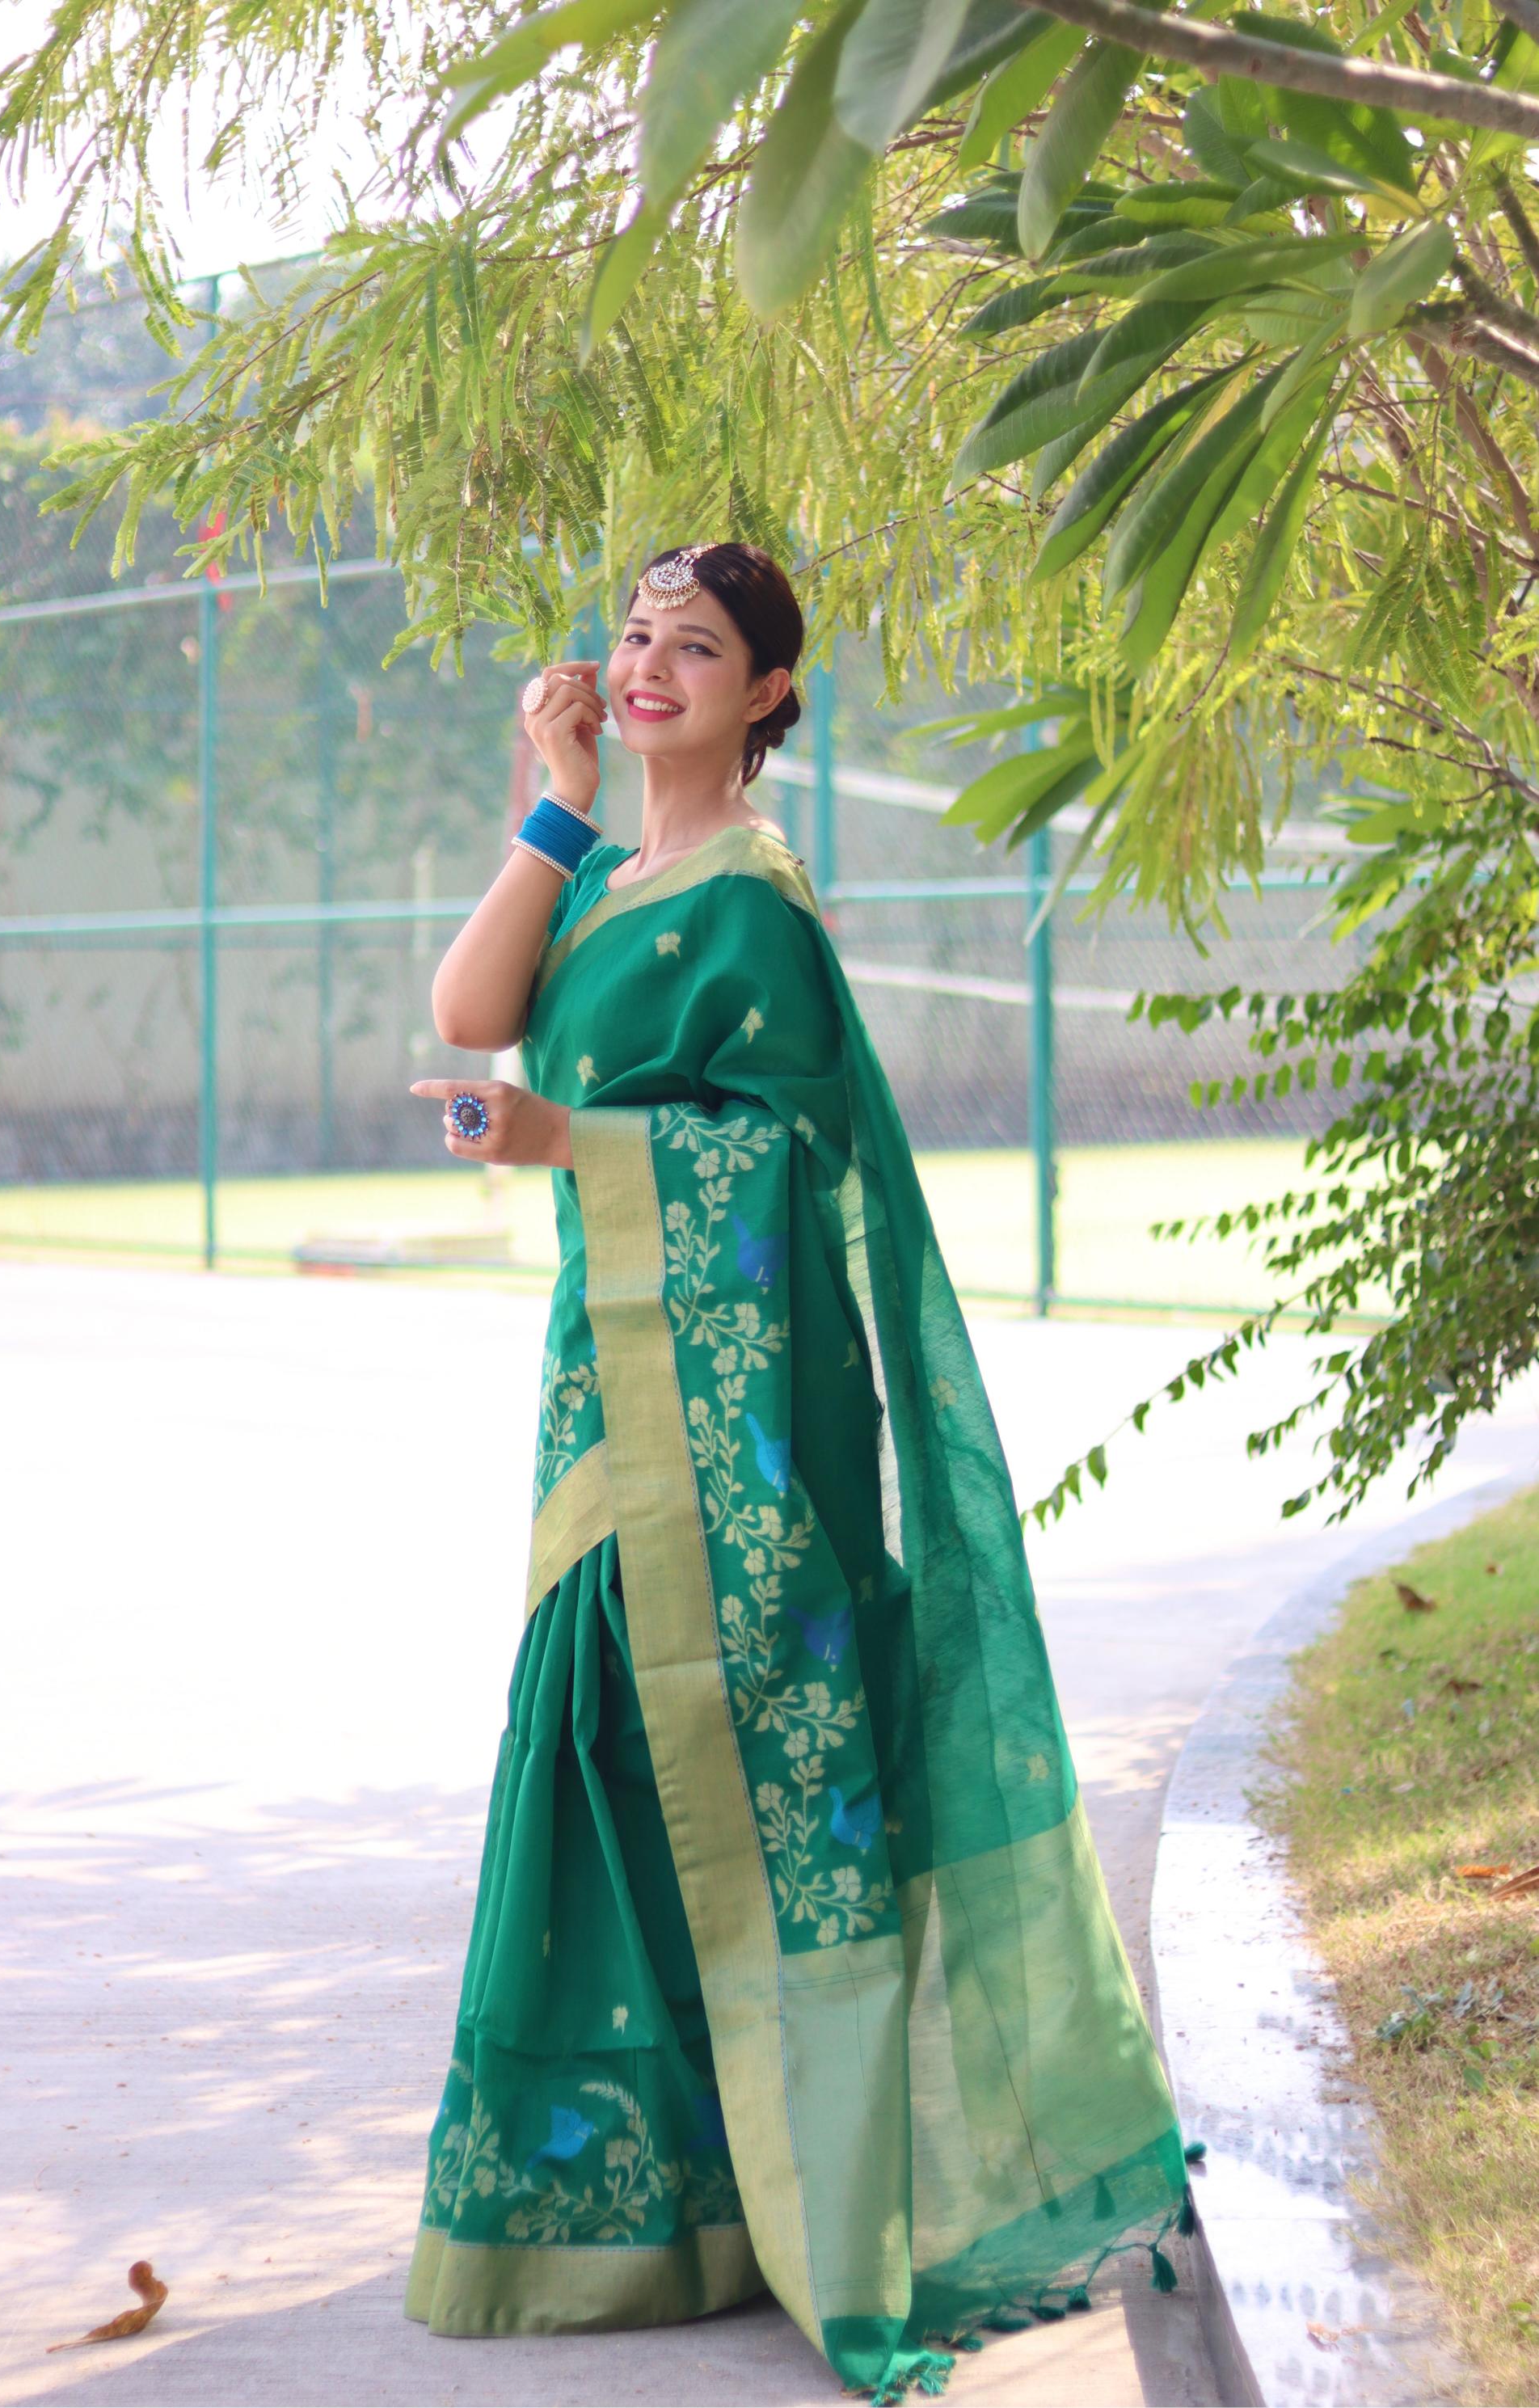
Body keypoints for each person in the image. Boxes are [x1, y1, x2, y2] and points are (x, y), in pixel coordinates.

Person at [403, 543, 1198, 2405]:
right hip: (613, 1388)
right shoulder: (613, 878)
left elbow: (783, 1173)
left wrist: (563, 1138)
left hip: (745, 1417)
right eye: (634, 636)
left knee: (745, 1763)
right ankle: (664, 2198)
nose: (652, 662)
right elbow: (467, 1001)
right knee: (606, 1726)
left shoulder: (754, 907)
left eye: (698, 645)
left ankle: (801, 2202)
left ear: (771, 694)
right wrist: (553, 795)